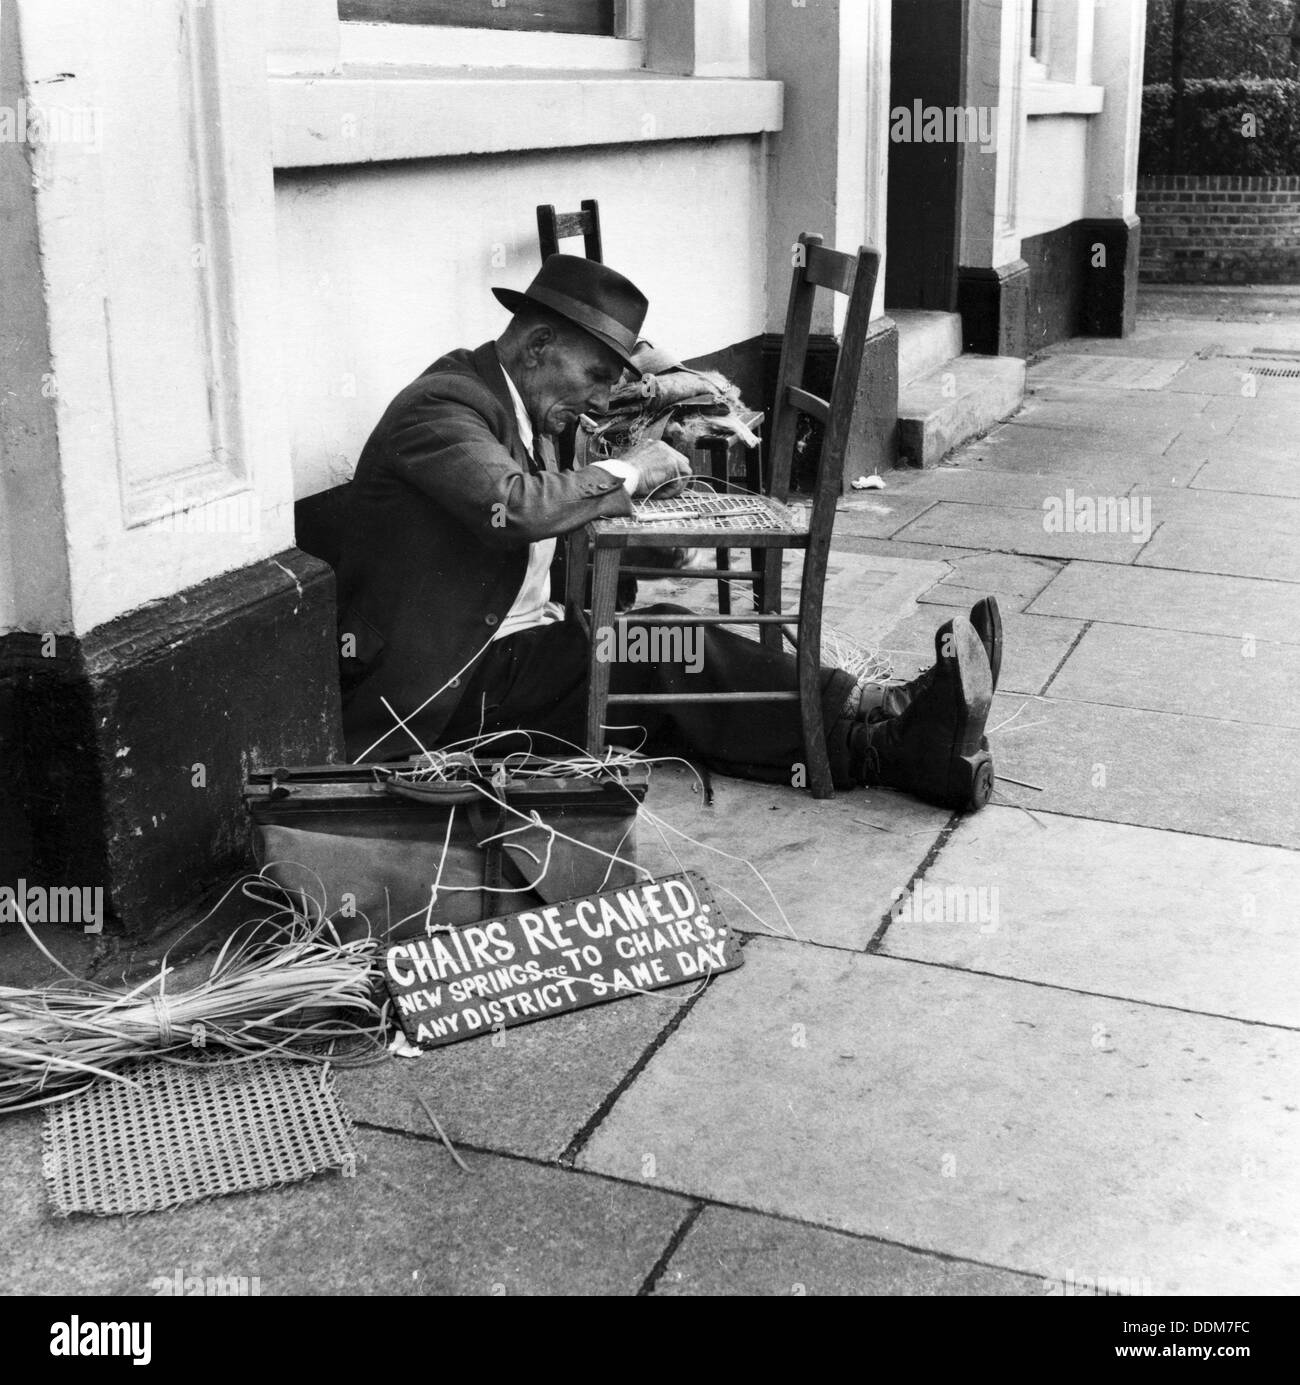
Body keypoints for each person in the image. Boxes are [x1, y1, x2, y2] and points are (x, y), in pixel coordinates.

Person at [335, 255, 999, 810]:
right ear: (537, 347)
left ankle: (882, 728)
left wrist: (655, 513)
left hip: (518, 656)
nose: (601, 398)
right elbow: (519, 507)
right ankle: (888, 732)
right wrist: (631, 468)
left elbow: (565, 531)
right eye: (596, 375)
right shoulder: (444, 406)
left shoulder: (529, 406)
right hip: (450, 694)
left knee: (666, 649)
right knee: (663, 649)